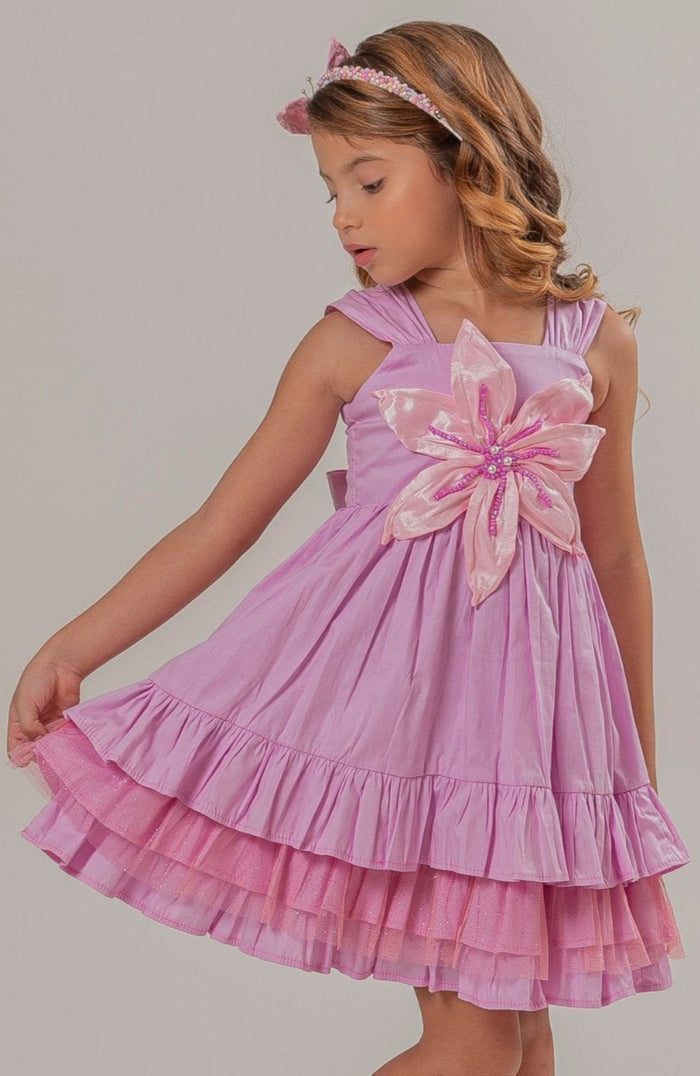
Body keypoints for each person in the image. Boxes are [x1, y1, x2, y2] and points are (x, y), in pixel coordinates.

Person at [6, 20, 691, 1076]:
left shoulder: (594, 340)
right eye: (330, 190)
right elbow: (222, 522)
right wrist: (72, 646)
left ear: (464, 158)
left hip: (539, 760)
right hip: (414, 746)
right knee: (474, 1050)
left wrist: (629, 772)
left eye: (369, 181)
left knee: (526, 1048)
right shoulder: (354, 340)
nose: (343, 216)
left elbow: (616, 562)